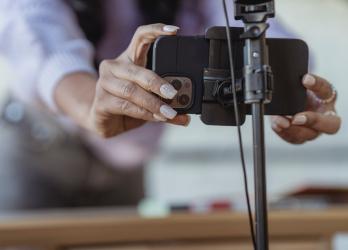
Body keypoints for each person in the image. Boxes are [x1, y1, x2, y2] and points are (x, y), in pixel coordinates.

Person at [0, 0, 341, 210]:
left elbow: (243, 22)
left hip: (126, 168)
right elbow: (35, 33)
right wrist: (91, 103)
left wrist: (293, 87)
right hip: (35, 156)